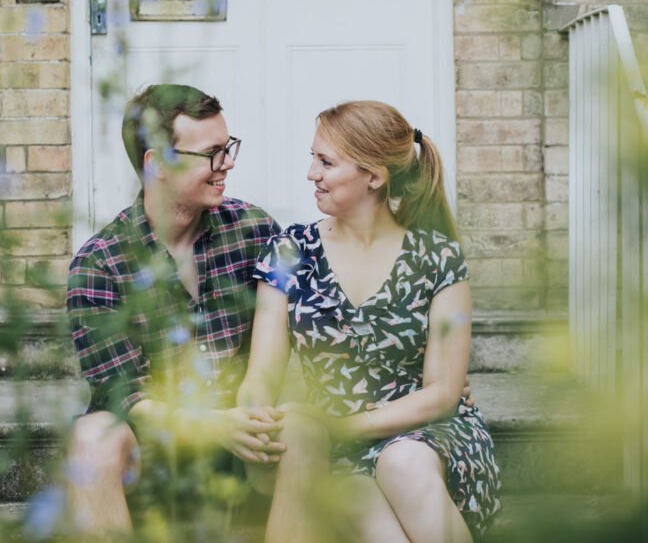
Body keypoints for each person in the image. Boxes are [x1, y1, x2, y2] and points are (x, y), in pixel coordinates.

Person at [238, 100, 502, 542]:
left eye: (325, 162)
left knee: (403, 463)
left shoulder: (437, 257)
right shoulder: (290, 250)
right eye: (313, 158)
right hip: (335, 452)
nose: (311, 174)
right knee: (367, 512)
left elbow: (442, 393)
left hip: (427, 435)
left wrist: (343, 426)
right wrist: (255, 421)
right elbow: (262, 372)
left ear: (374, 177)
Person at [65, 83, 296, 535]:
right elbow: (124, 394)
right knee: (91, 439)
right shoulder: (101, 263)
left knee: (305, 427)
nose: (227, 163)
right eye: (212, 153)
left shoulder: (256, 230)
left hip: (250, 432)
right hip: (156, 442)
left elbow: (317, 322)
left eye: (227, 147)